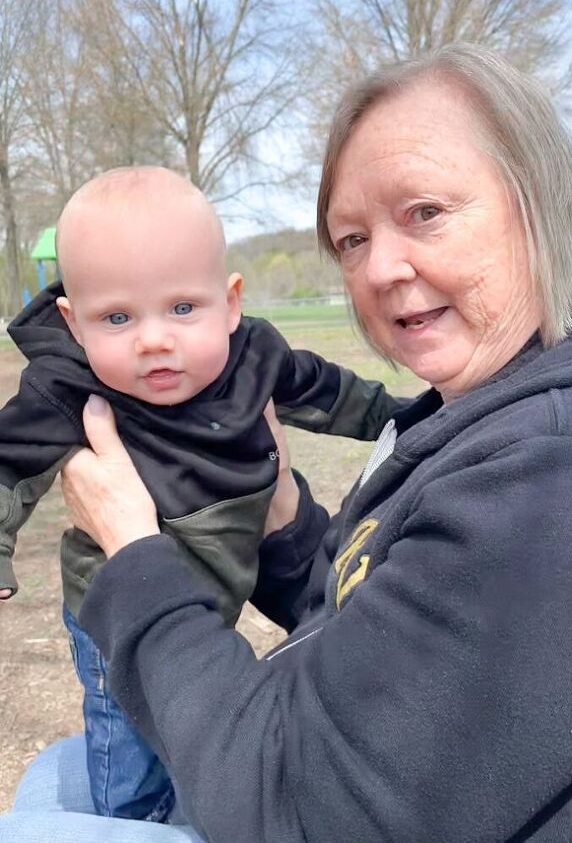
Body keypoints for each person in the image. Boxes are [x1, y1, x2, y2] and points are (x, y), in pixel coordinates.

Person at [3, 41, 572, 843]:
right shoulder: (480, 403)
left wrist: (131, 550)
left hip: (284, 804)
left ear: (537, 202)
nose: (381, 268)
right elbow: (380, 629)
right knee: (52, 776)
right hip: (289, 752)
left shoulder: (563, 478)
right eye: (351, 239)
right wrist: (288, 522)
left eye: (425, 212)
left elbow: (295, 811)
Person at [0, 167, 401, 822]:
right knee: (127, 741)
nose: (155, 338)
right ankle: (128, 822)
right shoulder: (66, 387)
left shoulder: (253, 357)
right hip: (113, 612)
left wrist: (403, 413)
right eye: (118, 316)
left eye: (183, 308)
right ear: (73, 322)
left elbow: (328, 393)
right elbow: (8, 463)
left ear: (230, 301)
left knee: (194, 730)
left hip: (210, 600)